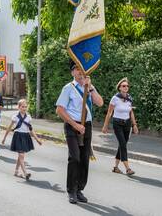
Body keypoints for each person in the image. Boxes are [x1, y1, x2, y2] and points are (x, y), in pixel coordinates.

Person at [55, 60, 103, 204]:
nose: (80, 72)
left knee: (84, 159)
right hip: (72, 126)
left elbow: (100, 103)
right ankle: (71, 190)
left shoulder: (89, 87)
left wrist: (91, 87)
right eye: (76, 69)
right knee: (74, 158)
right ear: (72, 72)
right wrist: (75, 125)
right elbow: (59, 110)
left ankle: (79, 189)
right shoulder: (68, 88)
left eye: (82, 69)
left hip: (86, 126)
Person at [102, 78, 138, 175]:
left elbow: (131, 112)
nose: (126, 87)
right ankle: (128, 168)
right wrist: (105, 126)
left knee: (122, 145)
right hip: (117, 124)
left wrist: (134, 125)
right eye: (123, 86)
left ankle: (116, 167)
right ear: (119, 88)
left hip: (127, 124)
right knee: (123, 144)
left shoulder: (129, 98)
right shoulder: (115, 98)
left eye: (127, 86)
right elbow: (109, 113)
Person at [2, 99, 42, 179]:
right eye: (23, 107)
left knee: (21, 156)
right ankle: (25, 173)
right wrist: (4, 138)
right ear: (19, 107)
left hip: (25, 137)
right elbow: (9, 128)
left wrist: (37, 139)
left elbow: (31, 129)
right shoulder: (15, 117)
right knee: (21, 155)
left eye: (25, 107)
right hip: (18, 136)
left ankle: (16, 172)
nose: (24, 108)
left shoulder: (28, 117)